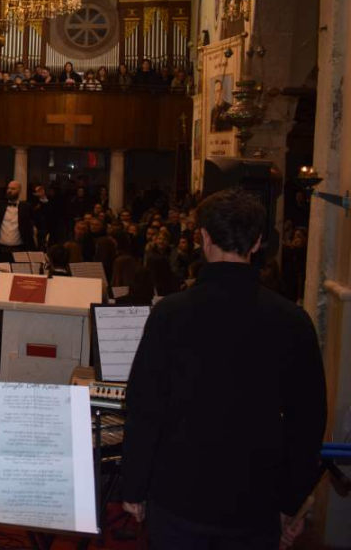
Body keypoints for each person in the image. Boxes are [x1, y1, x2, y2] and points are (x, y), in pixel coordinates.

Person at [121, 189, 327, 549]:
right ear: (259, 241)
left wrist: (135, 485)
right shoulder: (293, 321)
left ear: (203, 238)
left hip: (178, 495)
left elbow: (145, 407)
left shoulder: (170, 313)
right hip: (255, 499)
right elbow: (307, 422)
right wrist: (291, 501)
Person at [0, 180, 35, 255]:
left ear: (19, 190)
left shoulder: (26, 207)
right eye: (8, 188)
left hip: (19, 249)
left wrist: (42, 198)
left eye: (13, 189)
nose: (9, 191)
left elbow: (41, 215)